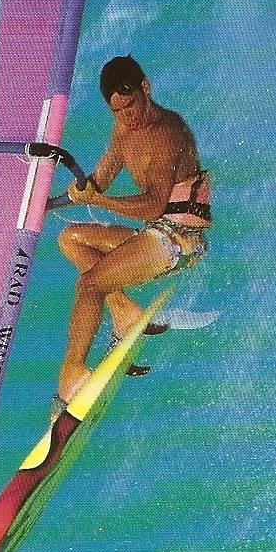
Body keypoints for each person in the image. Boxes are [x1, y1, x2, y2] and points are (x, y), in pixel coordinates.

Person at [50, 55, 211, 423]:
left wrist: (99, 200)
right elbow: (101, 177)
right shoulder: (123, 131)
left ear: (146, 88)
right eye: (118, 110)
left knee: (91, 285)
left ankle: (71, 375)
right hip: (155, 234)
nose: (128, 116)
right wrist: (81, 189)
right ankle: (124, 313)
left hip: (179, 240)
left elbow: (154, 204)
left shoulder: (167, 132)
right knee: (71, 238)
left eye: (132, 105)